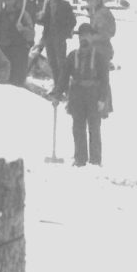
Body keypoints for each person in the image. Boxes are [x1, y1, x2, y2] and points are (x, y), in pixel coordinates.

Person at [51, 23, 109, 166]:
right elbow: (64, 77)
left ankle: (95, 160)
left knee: (94, 128)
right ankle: (80, 159)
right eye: (82, 36)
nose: (84, 38)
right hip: (77, 94)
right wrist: (57, 95)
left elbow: (105, 80)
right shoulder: (72, 56)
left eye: (87, 35)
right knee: (78, 127)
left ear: (92, 37)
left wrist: (102, 99)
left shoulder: (99, 57)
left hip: (93, 95)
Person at [0, 0, 35, 87]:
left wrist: (23, 29)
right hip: (3, 51)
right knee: (4, 80)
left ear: (16, 0)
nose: (9, 2)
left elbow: (31, 34)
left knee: (18, 81)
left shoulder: (24, 15)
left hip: (19, 52)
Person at [83, 0, 116, 116]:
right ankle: (103, 107)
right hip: (98, 49)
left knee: (102, 78)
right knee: (101, 78)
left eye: (91, 0)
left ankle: (104, 108)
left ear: (98, 0)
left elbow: (105, 34)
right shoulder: (97, 12)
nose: (89, 3)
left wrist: (89, 37)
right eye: (88, 0)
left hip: (101, 49)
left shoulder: (102, 13)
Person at [39, 0, 76, 89]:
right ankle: (57, 86)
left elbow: (72, 21)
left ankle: (64, 87)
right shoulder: (46, 5)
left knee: (61, 64)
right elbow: (43, 21)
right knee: (52, 63)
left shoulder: (65, 5)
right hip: (48, 38)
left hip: (59, 39)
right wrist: (40, 17)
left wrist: (64, 33)